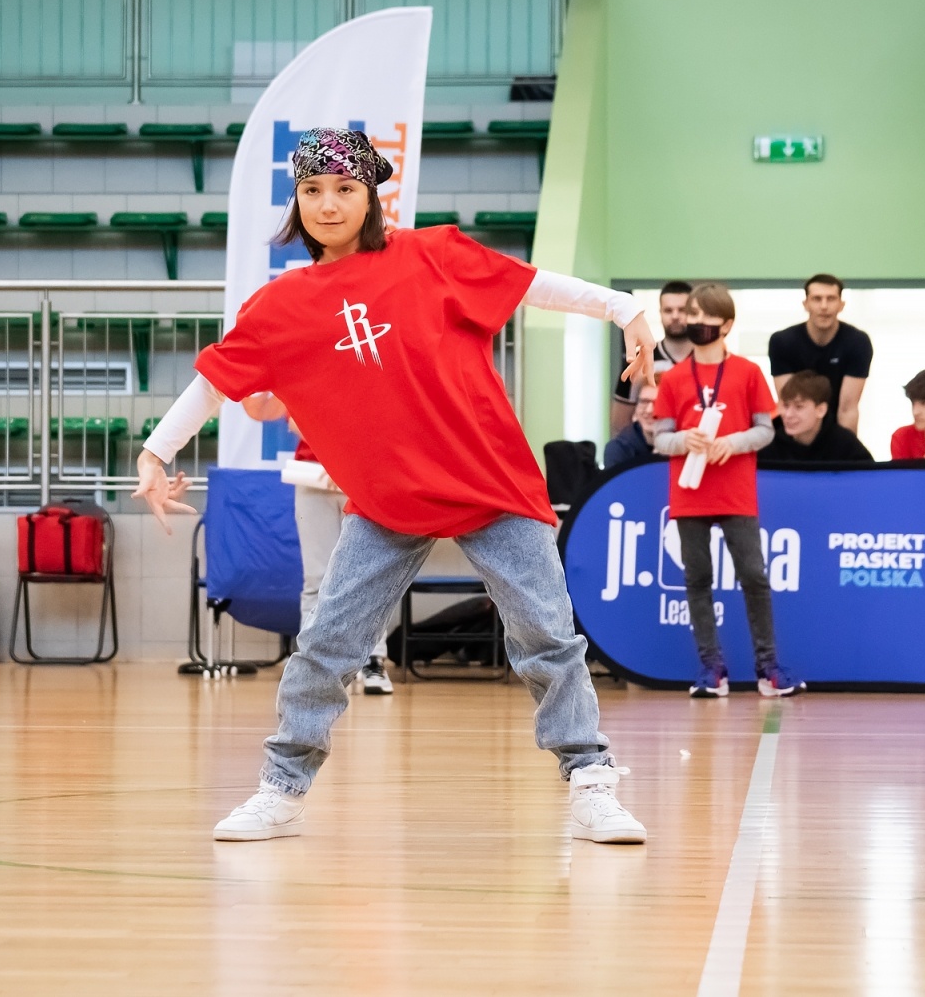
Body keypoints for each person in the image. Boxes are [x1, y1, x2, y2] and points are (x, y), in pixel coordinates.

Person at [135, 127, 658, 844]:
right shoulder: (281, 305)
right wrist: (154, 452)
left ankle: (591, 781)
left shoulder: (432, 254)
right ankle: (281, 787)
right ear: (296, 200)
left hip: (489, 481)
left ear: (371, 196)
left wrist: (623, 307)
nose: (328, 204)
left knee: (547, 636)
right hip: (387, 501)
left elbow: (531, 283)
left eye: (344, 189)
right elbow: (214, 382)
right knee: (327, 641)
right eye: (312, 190)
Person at [652, 282, 803, 700]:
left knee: (754, 576)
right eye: (693, 314)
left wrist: (732, 443)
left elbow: (765, 430)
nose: (696, 322)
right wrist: (684, 440)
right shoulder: (673, 378)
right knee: (697, 579)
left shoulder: (748, 372)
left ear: (728, 324)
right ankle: (711, 668)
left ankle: (769, 668)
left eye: (707, 316)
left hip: (736, 492)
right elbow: (660, 438)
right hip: (690, 494)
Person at [244, 392, 395, 696]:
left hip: (365, 476)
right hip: (315, 477)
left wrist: (346, 461)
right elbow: (289, 418)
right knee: (317, 576)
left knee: (372, 575)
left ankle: (373, 660)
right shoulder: (306, 370)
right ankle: (312, 664)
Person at [767, 273, 872, 434]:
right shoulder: (782, 342)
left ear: (841, 305)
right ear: (806, 304)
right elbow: (789, 404)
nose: (824, 306)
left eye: (831, 299)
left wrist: (846, 448)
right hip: (795, 432)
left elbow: (847, 409)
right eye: (817, 299)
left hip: (836, 431)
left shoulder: (858, 342)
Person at [608, 281, 693, 435]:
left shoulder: (707, 360)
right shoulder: (639, 360)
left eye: (682, 310)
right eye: (668, 310)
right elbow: (619, 425)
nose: (675, 316)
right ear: (660, 312)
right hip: (648, 448)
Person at [759, 370, 874, 464]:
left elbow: (868, 478)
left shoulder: (845, 444)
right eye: (786, 406)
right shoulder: (768, 443)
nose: (788, 414)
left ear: (821, 410)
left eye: (799, 407)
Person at [603, 383, 663, 469]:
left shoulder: (680, 442)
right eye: (644, 402)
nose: (649, 410)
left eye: (658, 403)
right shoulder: (618, 449)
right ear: (636, 407)